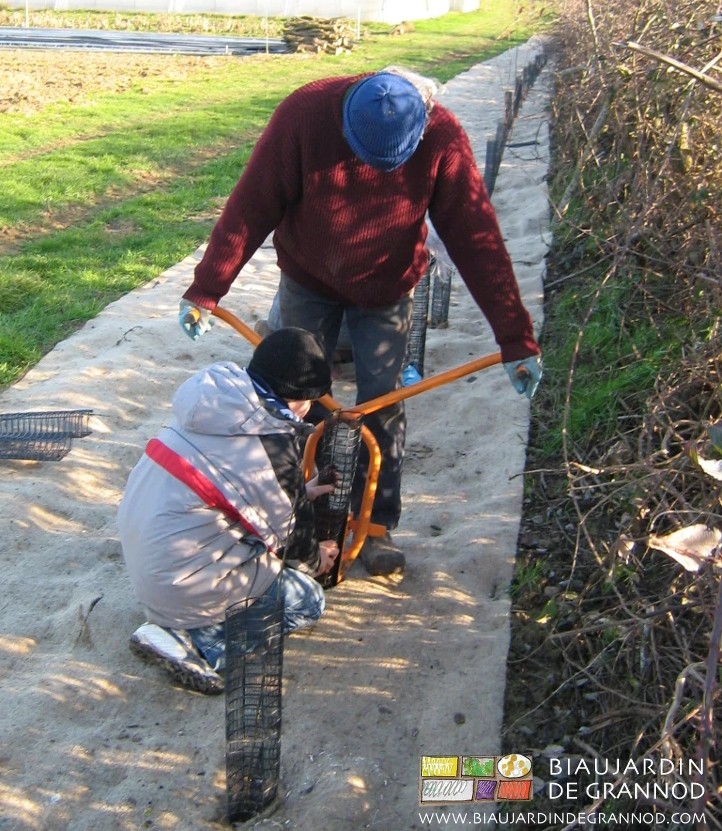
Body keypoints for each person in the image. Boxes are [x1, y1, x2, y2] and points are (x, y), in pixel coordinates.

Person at [179, 67, 542, 577]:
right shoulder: (303, 115)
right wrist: (207, 288)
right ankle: (293, 517)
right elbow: (250, 205)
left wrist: (515, 337)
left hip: (386, 287)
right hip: (308, 276)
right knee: (292, 401)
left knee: (382, 401)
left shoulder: (442, 137)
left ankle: (376, 525)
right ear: (347, 126)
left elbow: (476, 238)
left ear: (420, 129)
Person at [118, 328, 339, 695]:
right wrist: (318, 560)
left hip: (149, 557)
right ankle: (198, 645)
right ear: (301, 399)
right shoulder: (269, 448)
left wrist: (302, 491)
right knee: (307, 600)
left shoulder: (217, 403)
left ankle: (178, 623)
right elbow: (293, 542)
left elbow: (231, 484)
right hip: (181, 584)